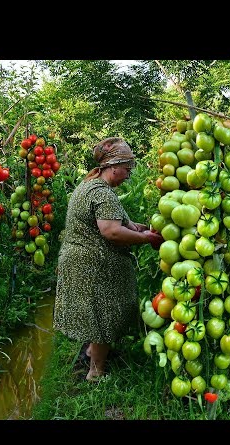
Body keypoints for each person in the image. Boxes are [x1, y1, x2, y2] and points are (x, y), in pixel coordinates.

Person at [53, 137, 164, 382]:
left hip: (82, 260)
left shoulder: (90, 186)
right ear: (113, 166)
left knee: (96, 314)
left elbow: (125, 224)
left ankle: (92, 352)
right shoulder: (102, 194)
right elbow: (111, 231)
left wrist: (145, 229)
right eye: (127, 169)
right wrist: (147, 240)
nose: (128, 174)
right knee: (104, 315)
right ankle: (96, 372)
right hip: (93, 264)